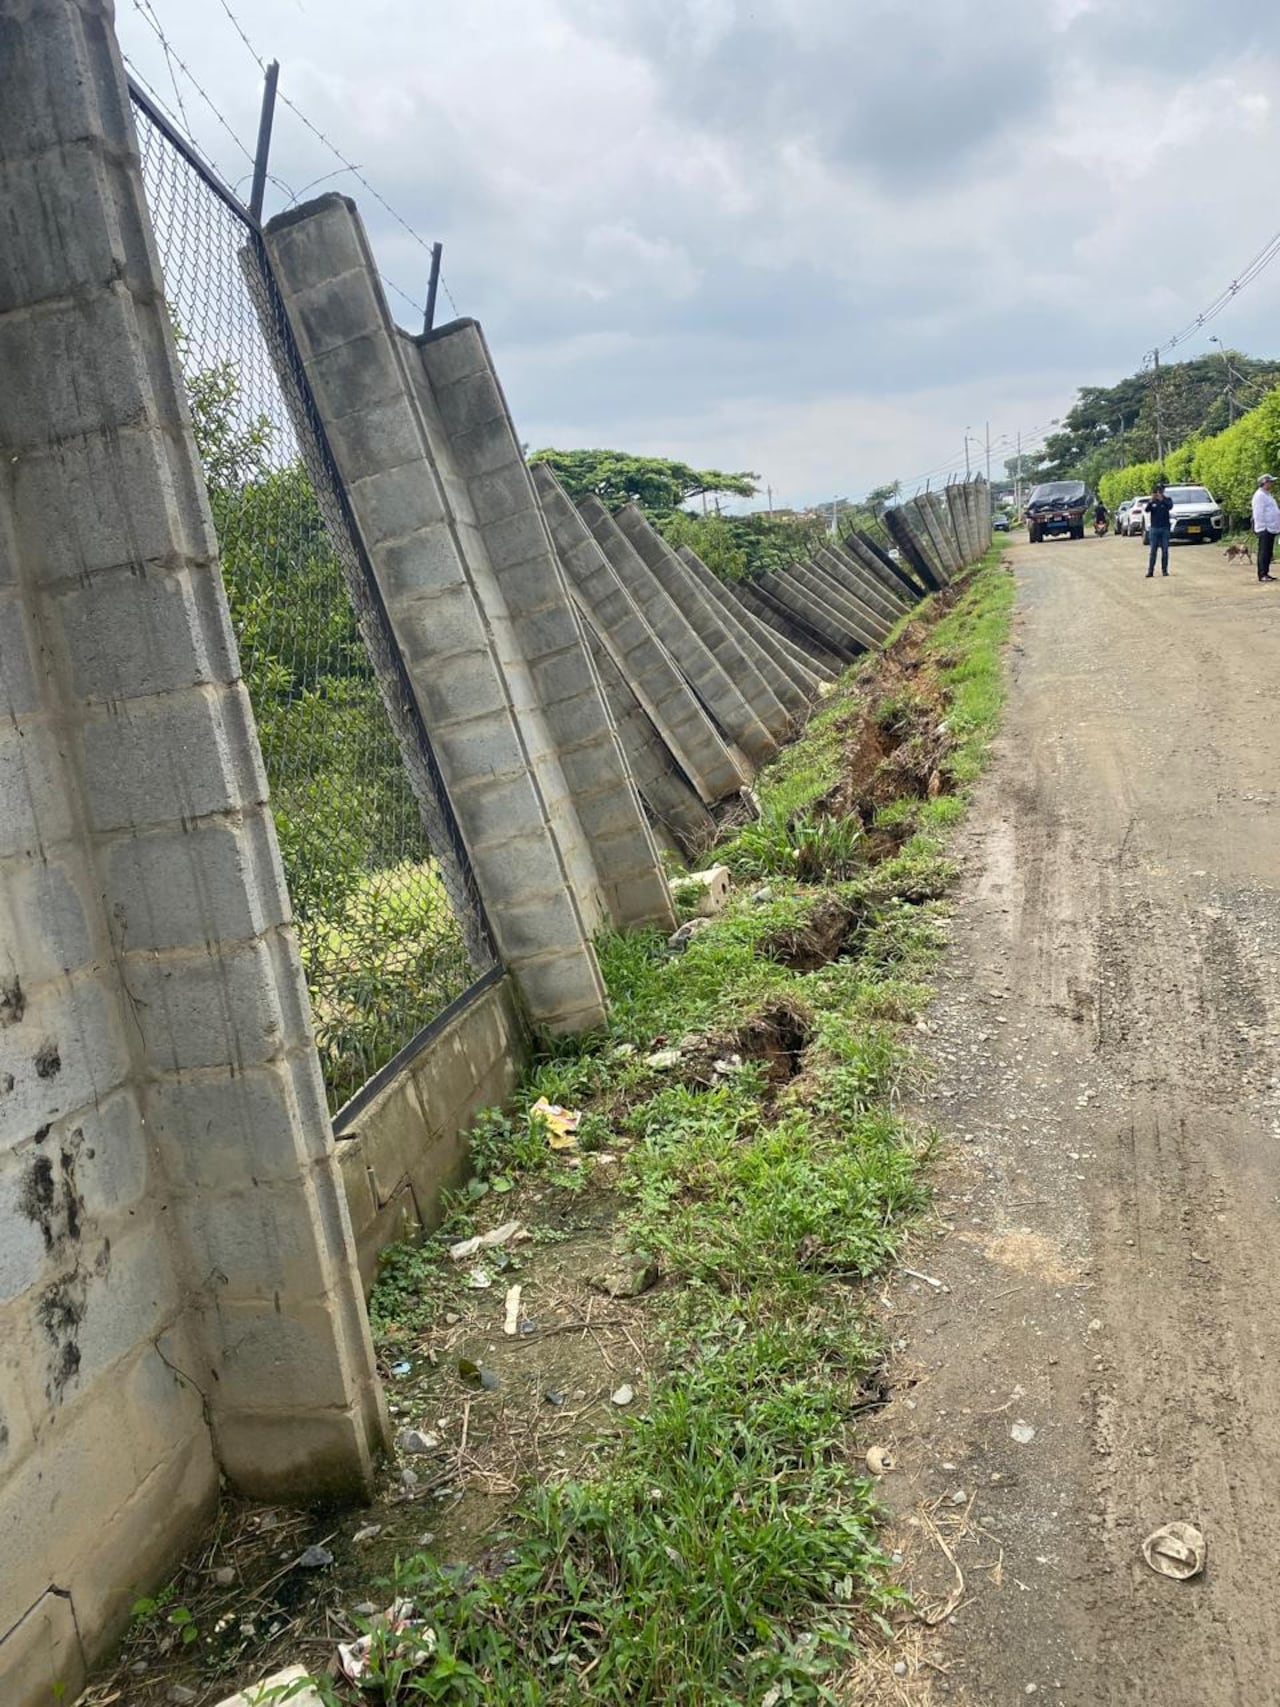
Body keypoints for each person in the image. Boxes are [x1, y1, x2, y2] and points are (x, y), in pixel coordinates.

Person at [1252, 473, 1280, 583]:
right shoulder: (1259, 496)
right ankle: (1262, 574)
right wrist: (1262, 527)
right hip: (1265, 528)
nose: (1272, 483)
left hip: (1271, 527)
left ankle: (1266, 573)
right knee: (1263, 552)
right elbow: (1258, 513)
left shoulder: (1267, 495)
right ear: (1264, 483)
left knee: (1268, 552)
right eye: (1270, 482)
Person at [1146, 481, 1172, 577]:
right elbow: (1147, 510)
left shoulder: (1167, 500)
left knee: (1165, 550)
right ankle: (1150, 571)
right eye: (1157, 491)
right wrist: (1150, 501)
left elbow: (1170, 506)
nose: (1158, 493)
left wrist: (1162, 499)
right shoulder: (1153, 501)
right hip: (1154, 529)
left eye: (1160, 491)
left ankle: (1164, 570)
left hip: (1165, 528)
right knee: (1153, 551)